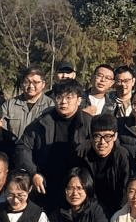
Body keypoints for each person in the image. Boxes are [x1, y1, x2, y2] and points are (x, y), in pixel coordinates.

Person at [23, 79, 92, 207]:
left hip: (78, 185)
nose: (63, 102)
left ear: (79, 100)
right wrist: (33, 173)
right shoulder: (42, 122)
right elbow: (24, 147)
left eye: (69, 98)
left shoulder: (89, 123)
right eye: (59, 97)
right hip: (47, 182)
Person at [79, 114, 132, 217]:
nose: (102, 142)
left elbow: (125, 191)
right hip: (90, 211)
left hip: (118, 211)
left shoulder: (122, 156)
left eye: (107, 136)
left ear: (115, 136)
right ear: (91, 137)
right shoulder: (84, 156)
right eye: (97, 136)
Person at [5, 68, 54, 139]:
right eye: (27, 82)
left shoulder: (51, 106)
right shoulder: (9, 105)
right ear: (22, 84)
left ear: (43, 84)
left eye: (35, 82)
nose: (31, 86)